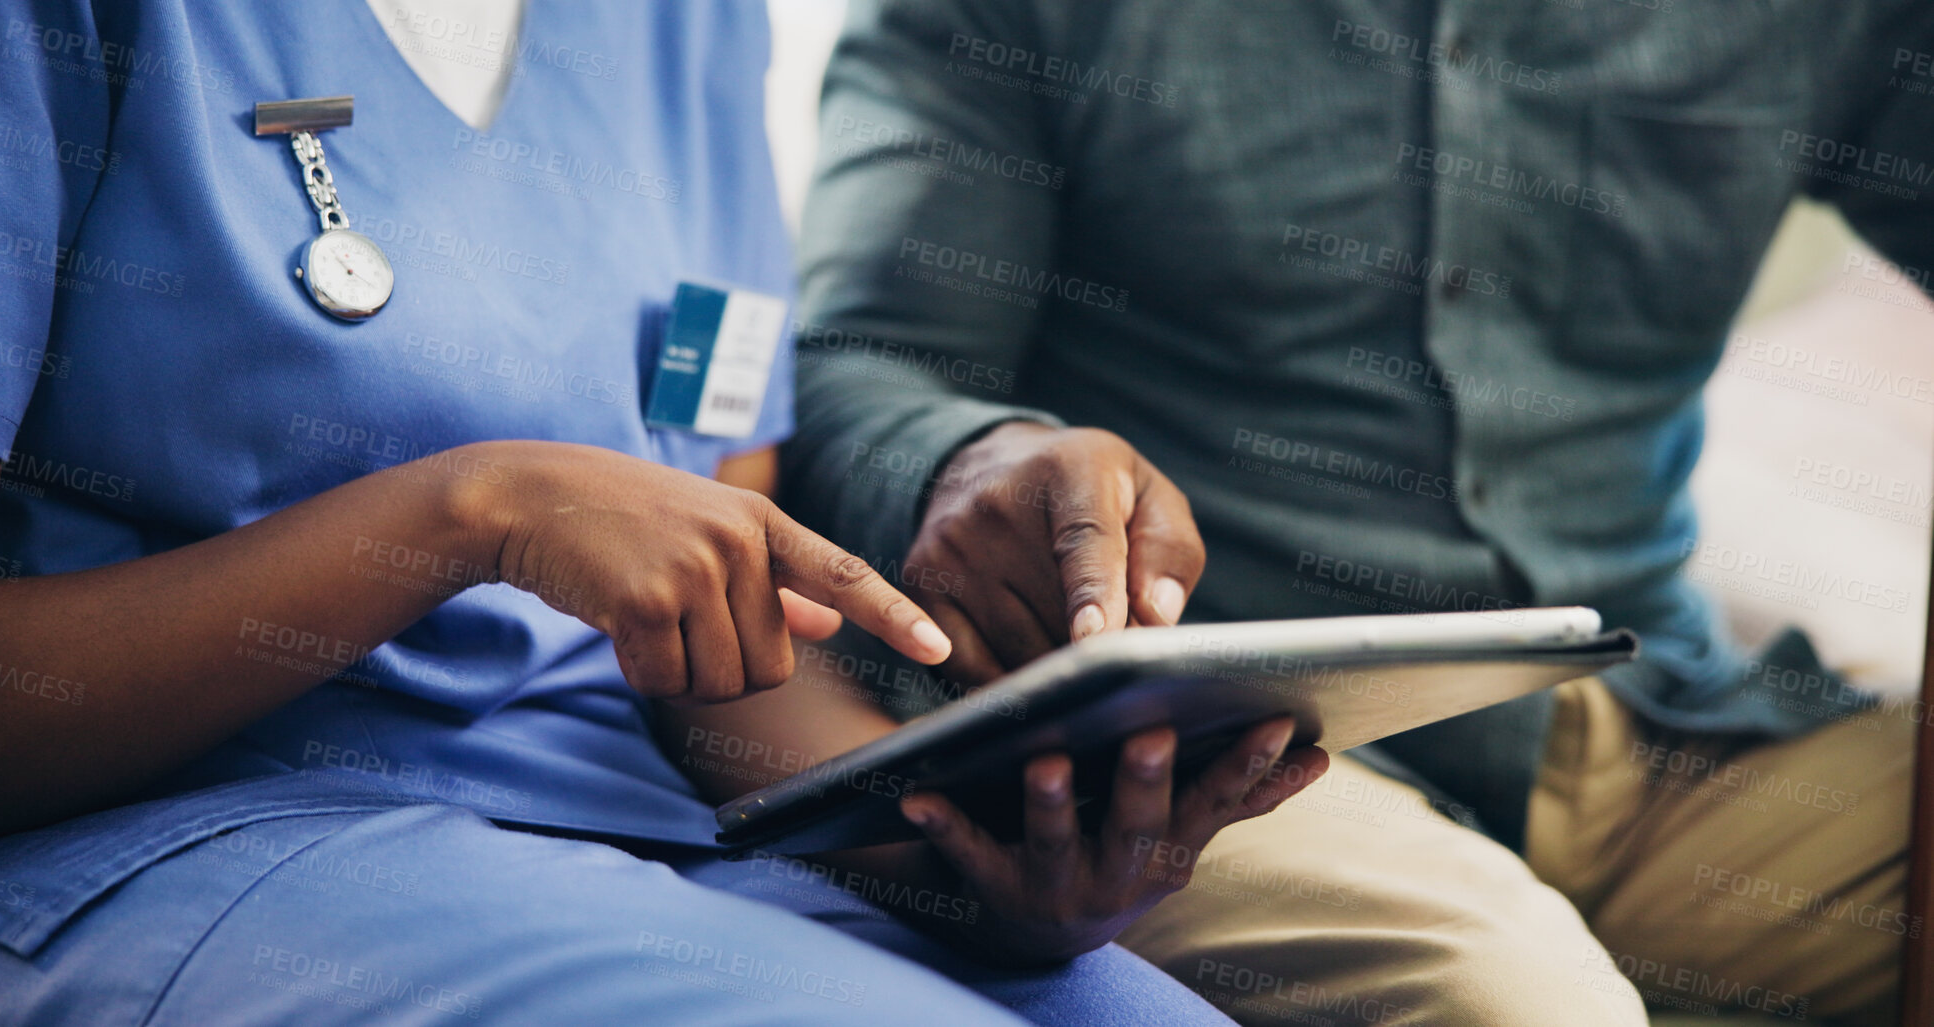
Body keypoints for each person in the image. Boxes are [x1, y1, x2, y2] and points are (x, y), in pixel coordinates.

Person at [0, 2, 1318, 1022]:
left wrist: (968, 858)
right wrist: (474, 510)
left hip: (651, 825)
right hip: (211, 835)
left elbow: (726, 666)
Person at [778, 1, 1934, 1023]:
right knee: (1513, 1005)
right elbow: (852, 371)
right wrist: (974, 458)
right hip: (1220, 753)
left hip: (1651, 722)